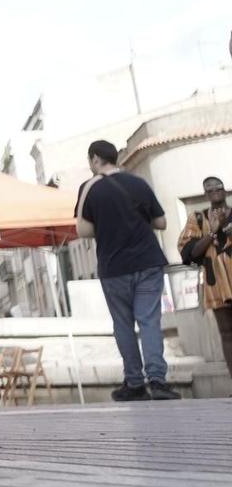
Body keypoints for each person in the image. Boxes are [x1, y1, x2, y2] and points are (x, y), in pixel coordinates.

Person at [77, 140, 176, 401]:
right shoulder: (139, 184)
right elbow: (161, 222)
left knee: (123, 324)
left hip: (114, 266)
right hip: (147, 261)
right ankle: (158, 381)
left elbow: (83, 231)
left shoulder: (90, 188)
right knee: (149, 321)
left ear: (95, 159)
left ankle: (134, 382)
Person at [178, 175, 232, 365]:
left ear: (225, 190)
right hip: (215, 282)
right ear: (205, 194)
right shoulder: (198, 218)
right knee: (227, 333)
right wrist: (213, 232)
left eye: (218, 187)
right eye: (209, 189)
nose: (214, 191)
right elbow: (190, 252)